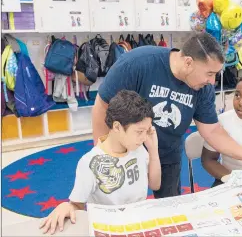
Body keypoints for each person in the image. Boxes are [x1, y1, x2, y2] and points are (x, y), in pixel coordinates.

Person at [92, 32, 242, 199]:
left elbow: (212, 130)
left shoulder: (203, 88)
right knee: (121, 206)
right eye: (210, 73)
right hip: (125, 152)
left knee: (169, 208)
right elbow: (102, 106)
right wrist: (103, 154)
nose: (212, 81)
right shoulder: (139, 63)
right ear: (188, 62)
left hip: (167, 153)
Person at [39, 90, 161, 235]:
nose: (143, 137)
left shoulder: (138, 148)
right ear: (117, 127)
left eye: (147, 131)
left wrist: (153, 150)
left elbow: (155, 185)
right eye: (139, 131)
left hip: (138, 224)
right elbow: (77, 205)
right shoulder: (90, 163)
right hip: (109, 229)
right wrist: (67, 206)